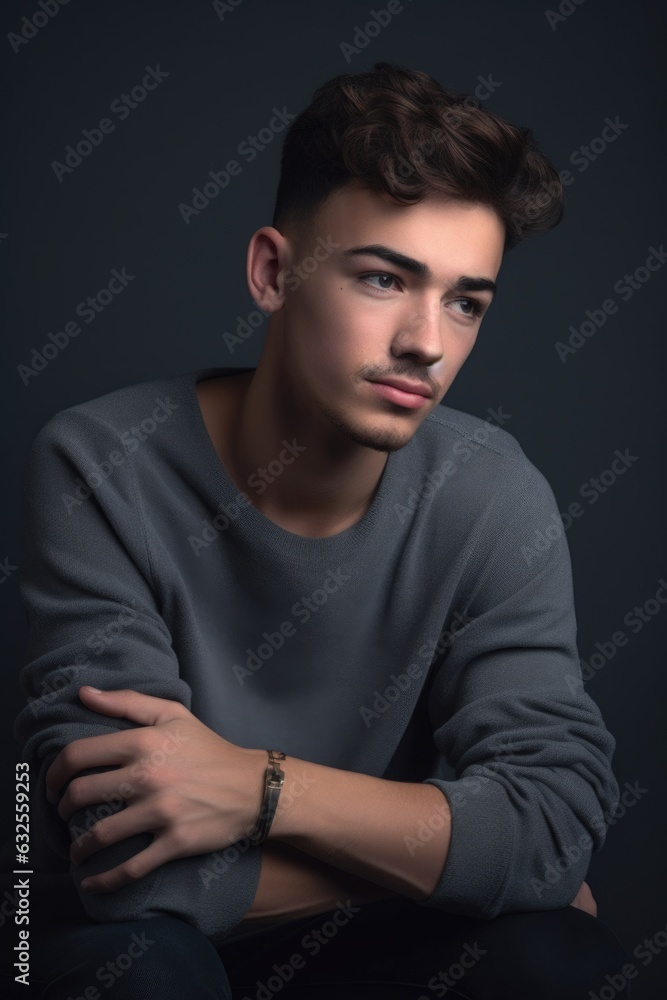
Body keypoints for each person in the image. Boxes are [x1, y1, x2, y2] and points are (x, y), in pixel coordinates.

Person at [13, 61, 632, 999]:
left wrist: (262, 787)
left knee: (559, 961)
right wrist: (475, 868)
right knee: (146, 971)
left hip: (361, 950)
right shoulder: (103, 463)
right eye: (385, 278)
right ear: (272, 272)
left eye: (466, 301)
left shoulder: (491, 494)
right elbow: (128, 856)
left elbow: (553, 823)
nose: (427, 340)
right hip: (110, 939)